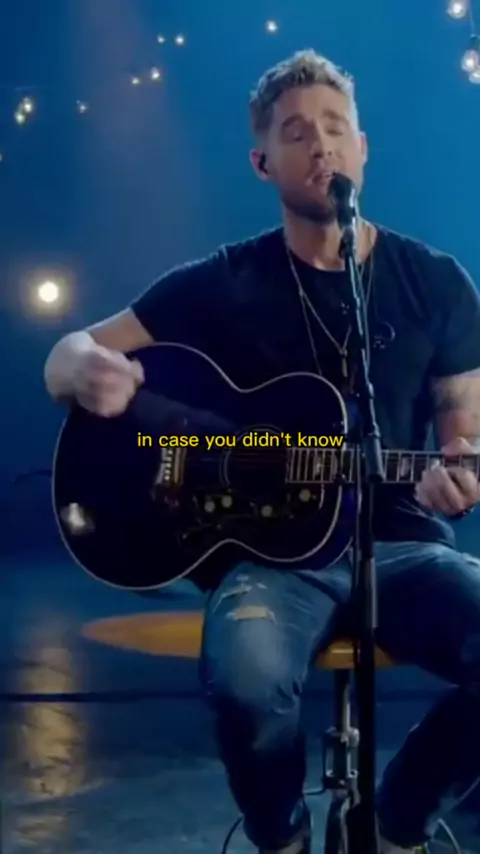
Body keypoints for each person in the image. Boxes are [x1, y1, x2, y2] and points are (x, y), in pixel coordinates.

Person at [44, 49, 480, 854]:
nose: (320, 144)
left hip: (404, 547)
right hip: (269, 563)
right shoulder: (223, 281)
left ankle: (397, 821)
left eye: (335, 127)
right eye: (296, 132)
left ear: (362, 149)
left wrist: (460, 465)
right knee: (245, 684)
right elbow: (67, 354)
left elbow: (464, 431)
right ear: (262, 162)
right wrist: (80, 369)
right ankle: (282, 836)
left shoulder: (435, 281)